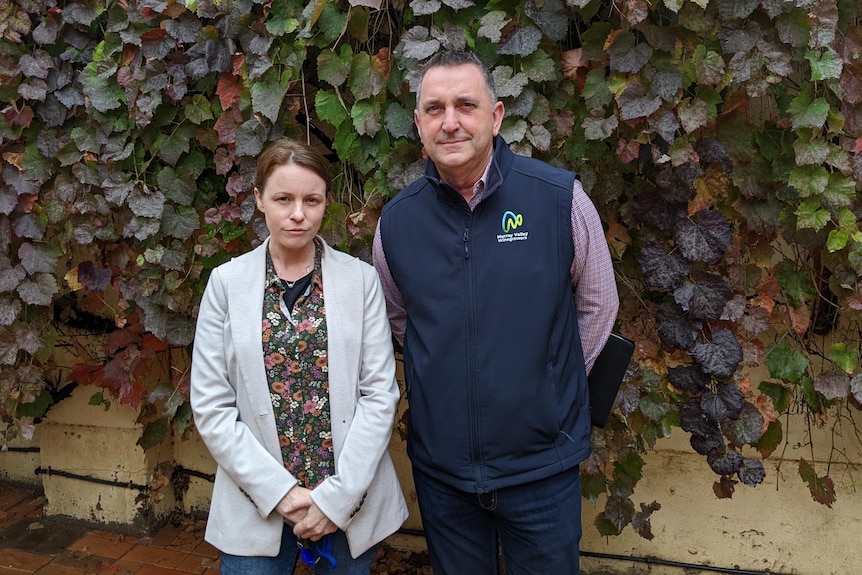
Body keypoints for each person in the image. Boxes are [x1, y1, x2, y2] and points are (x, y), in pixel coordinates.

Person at [372, 50, 619, 574]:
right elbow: (400, 321)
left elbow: (598, 305)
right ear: (418, 124)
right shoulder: (396, 224)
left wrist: (549, 386)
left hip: (540, 469)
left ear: (497, 115)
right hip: (445, 475)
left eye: (466, 104)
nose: (451, 121)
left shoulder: (559, 199)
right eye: (434, 109)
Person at [191, 137, 408, 575]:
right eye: (283, 198)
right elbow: (212, 406)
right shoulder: (226, 284)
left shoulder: (360, 282)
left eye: (311, 200)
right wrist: (281, 493)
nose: (297, 213)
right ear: (259, 200)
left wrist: (335, 499)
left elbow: (379, 395)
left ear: (326, 202)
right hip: (256, 502)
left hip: (347, 500)